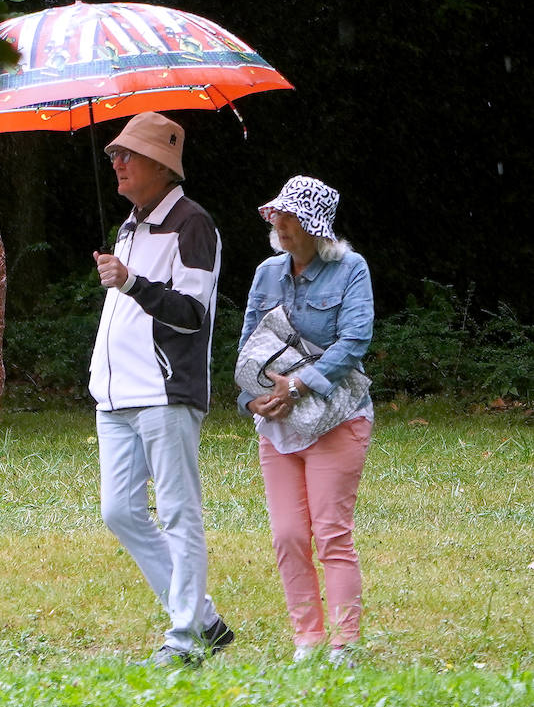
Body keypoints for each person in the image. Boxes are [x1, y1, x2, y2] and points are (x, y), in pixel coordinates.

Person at [89, 112, 234, 667]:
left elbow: (193, 314)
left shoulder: (194, 224)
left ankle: (186, 640)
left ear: (160, 165)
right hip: (116, 393)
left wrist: (130, 282)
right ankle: (203, 618)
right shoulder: (130, 224)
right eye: (114, 156)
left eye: (127, 155)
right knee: (119, 512)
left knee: (178, 512)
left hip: (165, 391)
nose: (117, 163)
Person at [238, 176, 373, 668]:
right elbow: (249, 344)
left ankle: (344, 644)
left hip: (337, 419)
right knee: (289, 535)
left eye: (291, 215)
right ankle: (308, 641)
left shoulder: (351, 269)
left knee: (331, 532)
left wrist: (297, 385)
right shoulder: (266, 272)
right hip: (277, 425)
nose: (281, 222)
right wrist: (252, 400)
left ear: (316, 227)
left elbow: (354, 342)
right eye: (278, 213)